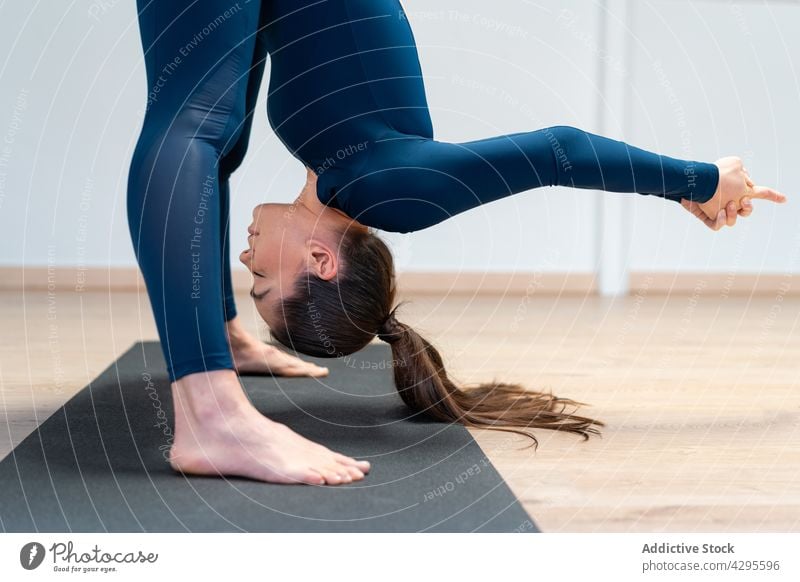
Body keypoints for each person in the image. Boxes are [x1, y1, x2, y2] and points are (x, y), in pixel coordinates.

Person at [128, 0, 786, 486]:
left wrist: (218, 326)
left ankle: (217, 343)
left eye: (248, 285)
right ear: (321, 261)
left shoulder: (337, 167)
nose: (245, 260)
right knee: (198, 122)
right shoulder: (392, 193)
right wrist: (699, 181)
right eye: (262, 282)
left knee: (216, 131)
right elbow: (560, 152)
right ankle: (210, 413)